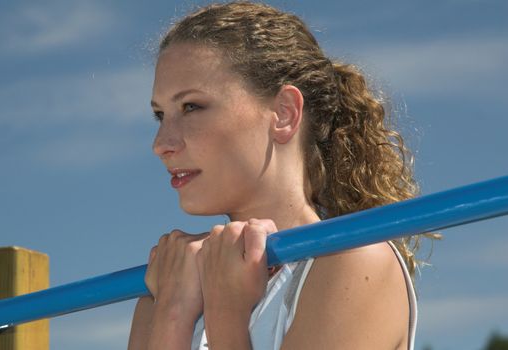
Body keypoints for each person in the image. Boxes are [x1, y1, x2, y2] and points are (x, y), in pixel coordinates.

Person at [128, 2, 431, 349]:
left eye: (191, 107)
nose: (161, 144)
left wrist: (226, 312)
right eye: (159, 115)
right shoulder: (162, 292)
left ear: (283, 114)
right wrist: (172, 313)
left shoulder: (353, 261)